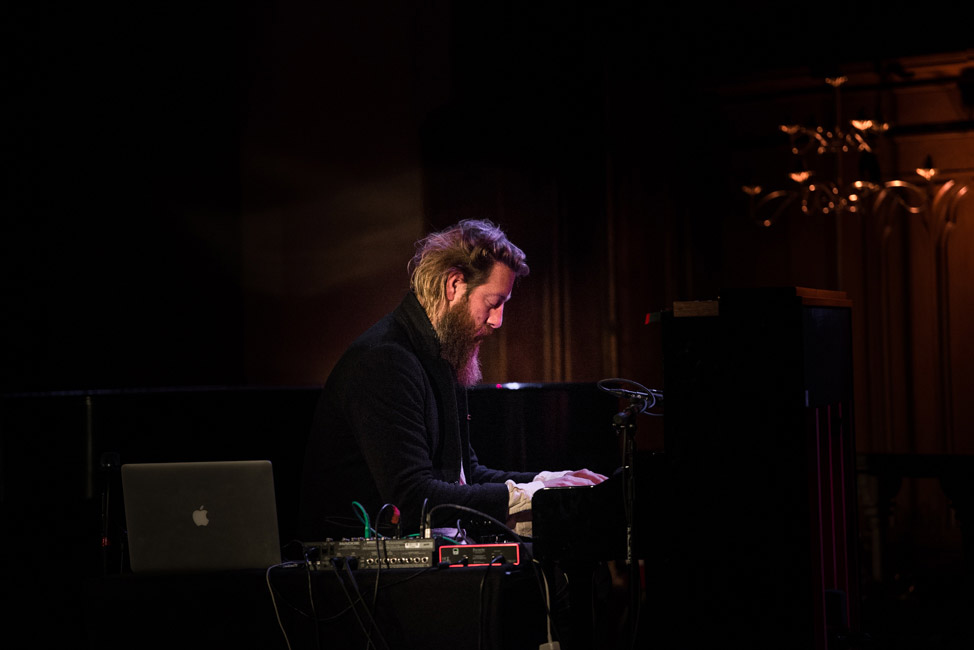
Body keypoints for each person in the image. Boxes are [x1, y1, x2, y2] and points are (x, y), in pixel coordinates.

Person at [297, 218, 606, 542]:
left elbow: (465, 477)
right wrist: (530, 495)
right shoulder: (385, 361)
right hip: (362, 582)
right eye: (493, 303)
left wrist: (552, 482)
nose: (497, 320)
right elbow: (413, 498)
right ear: (454, 285)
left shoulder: (440, 355)